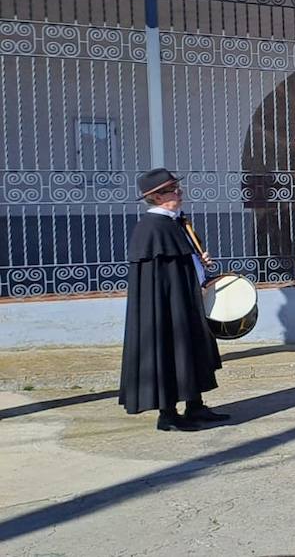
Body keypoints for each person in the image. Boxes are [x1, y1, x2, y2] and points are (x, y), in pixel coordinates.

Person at [119, 168, 227, 432]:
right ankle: (168, 414)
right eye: (171, 189)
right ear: (156, 197)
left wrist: (199, 264)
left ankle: (195, 405)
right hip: (168, 308)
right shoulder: (152, 228)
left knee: (192, 351)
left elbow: (183, 260)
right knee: (170, 352)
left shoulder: (176, 222)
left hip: (186, 300)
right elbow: (160, 278)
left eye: (177, 187)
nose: (179, 192)